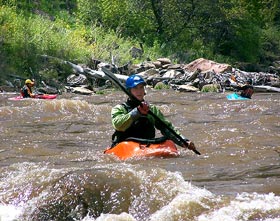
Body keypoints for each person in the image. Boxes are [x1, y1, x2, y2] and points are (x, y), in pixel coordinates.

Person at [110, 74, 196, 152]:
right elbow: (118, 126)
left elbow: (166, 128)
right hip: (126, 145)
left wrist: (183, 141)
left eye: (141, 87)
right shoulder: (119, 108)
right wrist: (137, 112)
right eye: (135, 88)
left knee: (168, 143)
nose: (139, 91)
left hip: (146, 146)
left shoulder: (152, 109)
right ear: (129, 91)